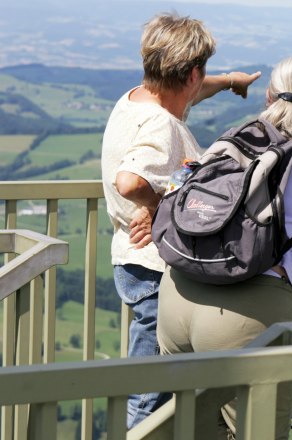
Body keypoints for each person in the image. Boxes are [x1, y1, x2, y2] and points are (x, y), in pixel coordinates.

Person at [157, 54, 292, 440]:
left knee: (193, 430)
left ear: (268, 96)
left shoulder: (229, 141)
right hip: (248, 315)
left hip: (178, 295)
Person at [100, 12, 261, 428]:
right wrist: (157, 204)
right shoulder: (162, 123)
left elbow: (186, 93)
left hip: (131, 260)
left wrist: (228, 82)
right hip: (152, 268)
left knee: (154, 385)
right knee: (151, 392)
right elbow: (130, 179)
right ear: (191, 73)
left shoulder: (137, 99)